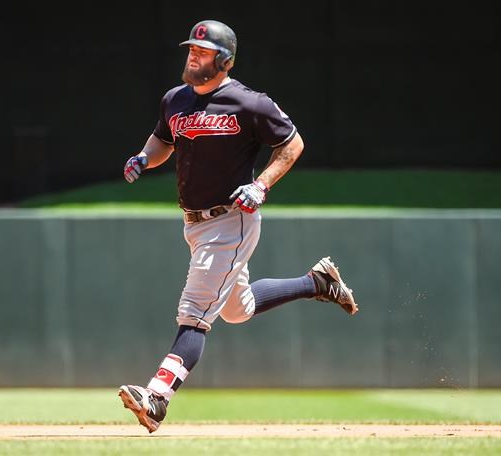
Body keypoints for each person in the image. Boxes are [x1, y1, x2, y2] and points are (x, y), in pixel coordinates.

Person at [118, 19, 358, 433]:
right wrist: (143, 156)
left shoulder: (250, 103)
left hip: (231, 221)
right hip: (194, 224)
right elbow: (162, 141)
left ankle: (158, 396)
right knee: (237, 309)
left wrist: (261, 184)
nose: (193, 55)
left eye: (202, 50)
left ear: (224, 60)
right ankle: (317, 282)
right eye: (191, 48)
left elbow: (293, 143)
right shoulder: (175, 99)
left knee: (194, 312)